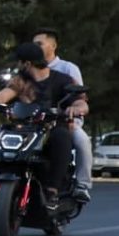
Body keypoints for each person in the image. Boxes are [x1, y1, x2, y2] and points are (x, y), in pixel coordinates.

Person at [0, 41, 88, 210]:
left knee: (62, 136)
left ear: (27, 63)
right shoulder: (21, 81)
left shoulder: (63, 80)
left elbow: (82, 103)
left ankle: (52, 190)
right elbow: (4, 94)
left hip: (51, 127)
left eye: (19, 62)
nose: (17, 65)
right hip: (25, 128)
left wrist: (76, 108)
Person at [33, 29, 92, 202]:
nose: (35, 47)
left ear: (53, 46)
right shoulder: (29, 69)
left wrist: (72, 115)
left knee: (82, 141)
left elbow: (79, 98)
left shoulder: (68, 68)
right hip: (34, 122)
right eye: (33, 44)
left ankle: (83, 185)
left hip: (64, 121)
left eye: (40, 43)